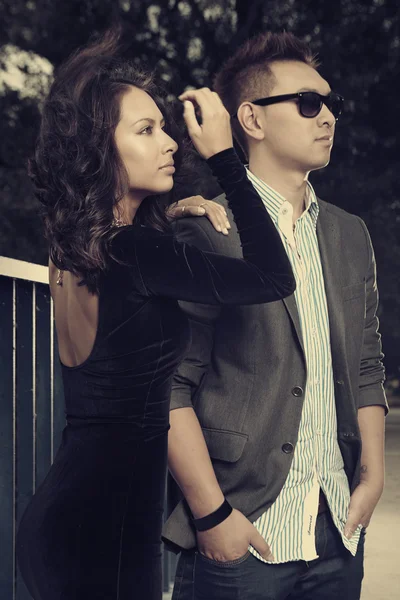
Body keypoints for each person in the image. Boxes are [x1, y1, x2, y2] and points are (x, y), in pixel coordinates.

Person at [15, 30, 296, 600]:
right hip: (108, 526)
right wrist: (225, 160)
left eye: (163, 127)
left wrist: (168, 212)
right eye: (146, 130)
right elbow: (274, 278)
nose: (169, 142)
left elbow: (128, 316)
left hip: (67, 513)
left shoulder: (73, 253)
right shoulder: (137, 253)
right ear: (100, 149)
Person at [163, 31, 388, 600]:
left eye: (333, 104)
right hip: (245, 533)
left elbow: (365, 365)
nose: (328, 117)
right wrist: (214, 518)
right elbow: (170, 385)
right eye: (309, 104)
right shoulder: (207, 229)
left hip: (338, 531)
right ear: (252, 119)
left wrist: (372, 479)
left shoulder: (348, 232)